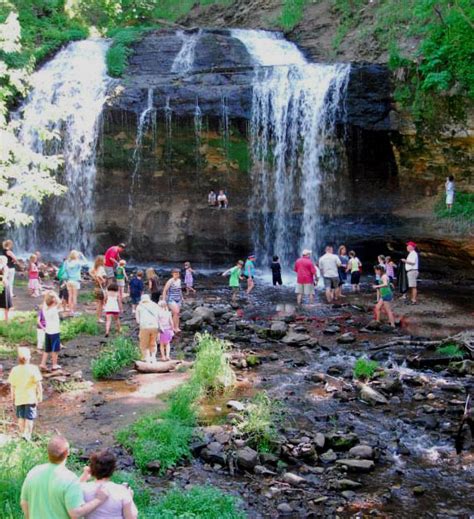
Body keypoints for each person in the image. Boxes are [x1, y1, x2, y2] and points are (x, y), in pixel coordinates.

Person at [20, 436, 109, 519]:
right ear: (67, 453)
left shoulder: (34, 472)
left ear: (48, 452)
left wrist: (84, 477)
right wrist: (98, 500)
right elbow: (75, 513)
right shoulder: (69, 479)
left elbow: (24, 502)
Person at [81, 450, 138, 519]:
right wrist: (130, 498)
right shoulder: (122, 492)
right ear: (113, 470)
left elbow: (76, 488)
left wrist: (84, 475)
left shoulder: (83, 489)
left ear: (91, 468)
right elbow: (132, 517)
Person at [8, 347, 42, 441]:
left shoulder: (14, 370)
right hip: (30, 398)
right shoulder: (33, 368)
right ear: (29, 357)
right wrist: (40, 395)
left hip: (19, 398)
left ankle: (22, 433)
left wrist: (12, 397)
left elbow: (12, 386)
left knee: (21, 417)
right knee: (29, 418)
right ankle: (28, 435)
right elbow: (38, 384)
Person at [39, 291, 62, 371]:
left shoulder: (45, 309)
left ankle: (43, 363)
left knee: (47, 349)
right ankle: (54, 365)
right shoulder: (54, 310)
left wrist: (47, 295)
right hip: (54, 332)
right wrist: (54, 293)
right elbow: (60, 302)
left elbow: (45, 302)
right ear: (53, 301)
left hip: (48, 331)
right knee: (55, 349)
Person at [135, 294, 159, 363]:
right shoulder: (155, 305)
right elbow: (158, 316)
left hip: (144, 327)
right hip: (155, 326)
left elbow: (138, 321)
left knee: (144, 344)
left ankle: (147, 358)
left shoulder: (139, 306)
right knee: (153, 342)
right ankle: (153, 357)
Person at [64, 250, 87, 316]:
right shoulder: (78, 262)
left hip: (69, 281)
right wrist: (82, 255)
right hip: (75, 281)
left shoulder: (66, 262)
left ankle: (70, 311)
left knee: (70, 297)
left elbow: (64, 270)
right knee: (74, 297)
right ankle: (73, 312)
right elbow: (86, 263)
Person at [90, 256, 107, 323]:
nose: (105, 260)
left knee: (99, 304)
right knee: (100, 304)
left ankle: (98, 318)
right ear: (101, 261)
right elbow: (99, 275)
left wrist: (94, 277)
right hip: (100, 288)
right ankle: (98, 319)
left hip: (96, 287)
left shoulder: (95, 268)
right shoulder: (101, 268)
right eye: (104, 259)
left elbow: (90, 272)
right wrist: (103, 280)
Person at [0, 256, 12, 321]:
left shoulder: (5, 267)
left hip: (4, 286)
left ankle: (6, 318)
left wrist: (2, 281)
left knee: (6, 303)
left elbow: (4, 277)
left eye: (1, 260)